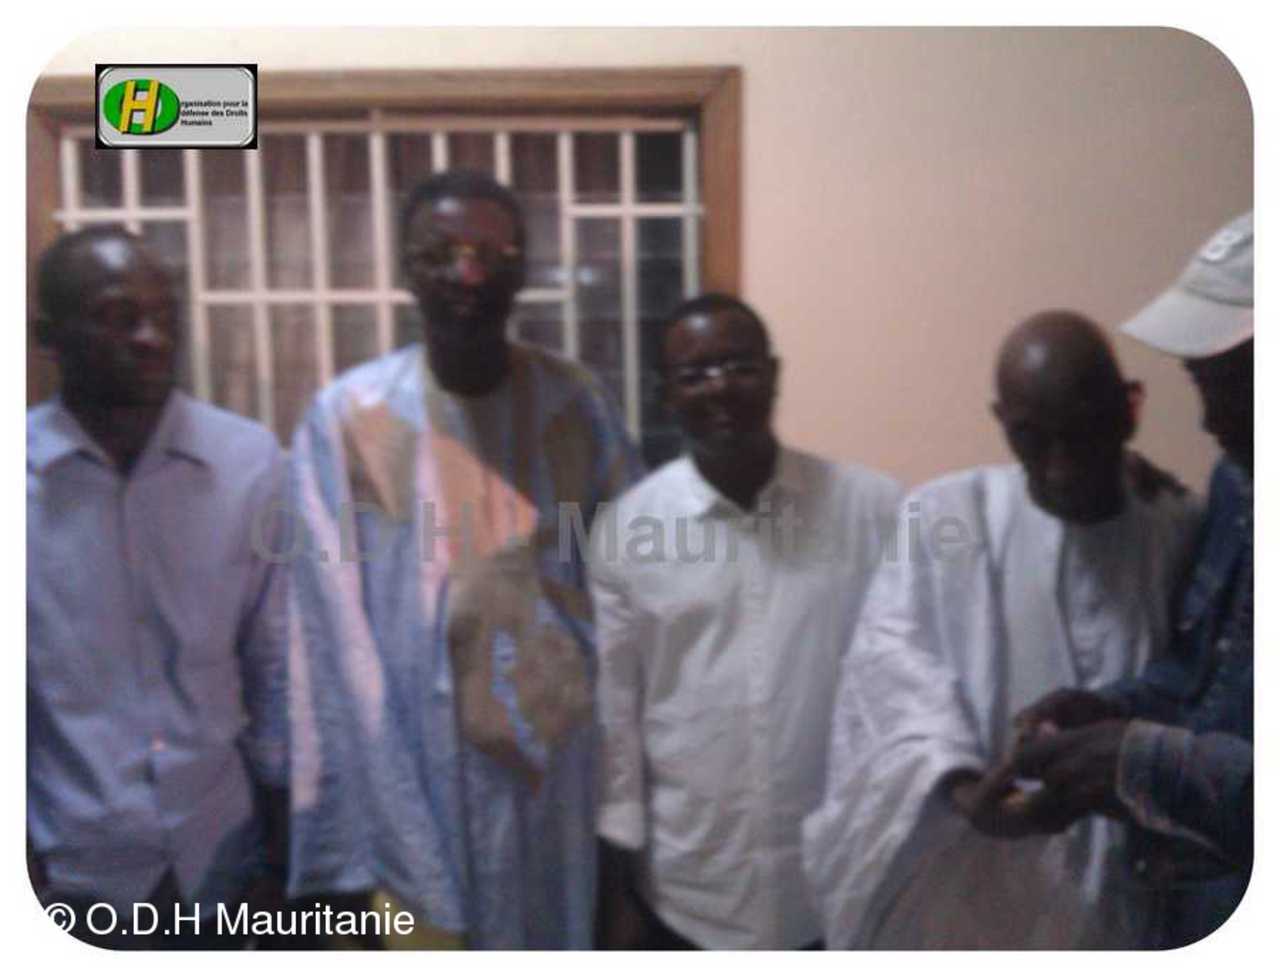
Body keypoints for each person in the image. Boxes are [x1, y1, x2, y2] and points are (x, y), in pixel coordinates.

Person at [286, 170, 639, 949]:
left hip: (557, 770)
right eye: (441, 252)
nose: (468, 274)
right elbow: (327, 627)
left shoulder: (576, 402)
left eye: (491, 252)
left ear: (522, 268)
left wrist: (626, 795)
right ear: (406, 269)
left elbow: (630, 588)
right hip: (410, 763)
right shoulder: (349, 417)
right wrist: (358, 809)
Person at [802, 311, 1202, 949]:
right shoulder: (945, 518)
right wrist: (964, 790)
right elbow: (888, 672)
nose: (1060, 466)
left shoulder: (1179, 530)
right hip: (973, 902)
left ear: (1129, 409)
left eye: (1082, 432)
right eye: (1032, 438)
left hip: (1126, 902)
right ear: (1001, 422)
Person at [589, 293, 902, 950]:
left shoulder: (872, 510)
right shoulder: (626, 531)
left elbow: (903, 684)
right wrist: (619, 888)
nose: (720, 387)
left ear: (774, 374)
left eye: (739, 366)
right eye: (695, 374)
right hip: (688, 894)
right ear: (666, 393)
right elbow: (618, 718)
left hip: (833, 890)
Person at [27, 227, 289, 949]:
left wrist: (285, 855)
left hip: (225, 860)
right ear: (49, 337)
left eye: (165, 314)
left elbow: (277, 669)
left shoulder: (248, 464)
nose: (152, 338)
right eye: (119, 317)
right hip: (70, 873)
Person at [1014, 213, 1253, 948]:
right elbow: (1206, 676)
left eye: (1236, 386)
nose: (1209, 420)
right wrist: (1112, 707)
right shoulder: (1239, 485)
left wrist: (1137, 759)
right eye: (1201, 383)